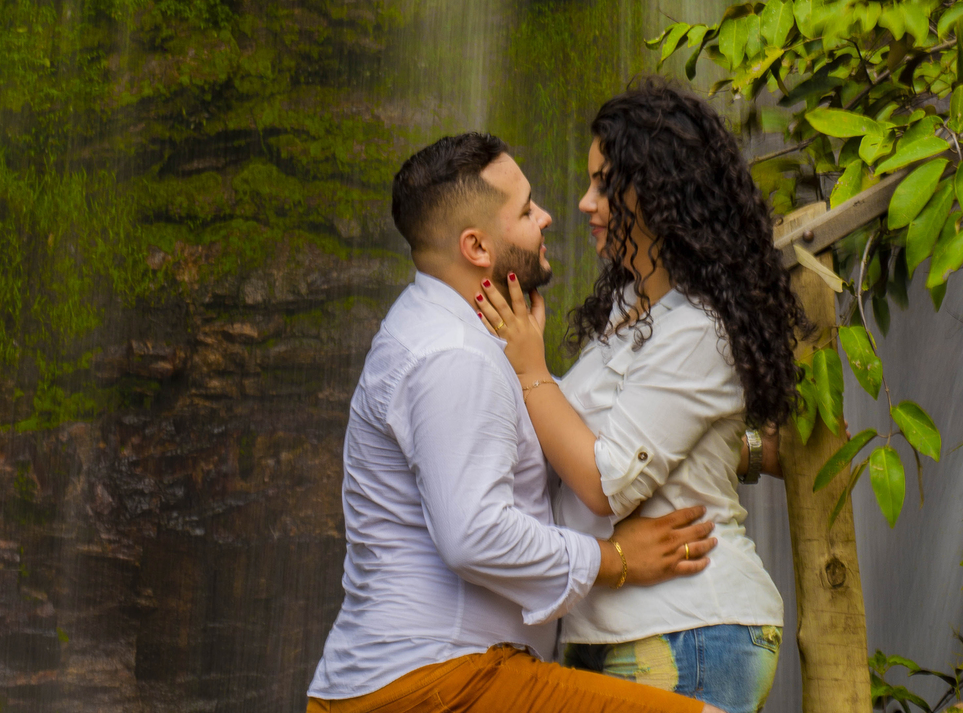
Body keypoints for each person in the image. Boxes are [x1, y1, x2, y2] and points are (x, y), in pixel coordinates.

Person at [307, 131, 728, 713]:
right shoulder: (455, 356)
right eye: (527, 211)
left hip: (430, 679)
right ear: (478, 247)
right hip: (439, 682)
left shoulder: (455, 331)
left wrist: (736, 446)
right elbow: (474, 534)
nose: (549, 216)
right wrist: (615, 560)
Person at [473, 79, 801, 713]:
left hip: (689, 629)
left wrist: (531, 369)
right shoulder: (631, 308)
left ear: (659, 195)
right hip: (613, 627)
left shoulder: (700, 329)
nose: (583, 203)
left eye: (604, 185)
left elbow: (606, 482)